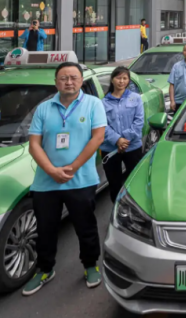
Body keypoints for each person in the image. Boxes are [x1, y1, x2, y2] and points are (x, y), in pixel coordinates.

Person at [24, 62, 107, 295]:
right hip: (46, 182)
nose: (68, 82)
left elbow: (97, 138)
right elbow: (34, 144)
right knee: (46, 228)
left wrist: (72, 167)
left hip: (81, 179)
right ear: (56, 82)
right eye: (63, 78)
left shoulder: (93, 104)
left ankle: (90, 265)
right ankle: (45, 269)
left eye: (73, 77)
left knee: (85, 226)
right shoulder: (43, 108)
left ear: (81, 80)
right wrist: (51, 170)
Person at [101, 67, 145, 203]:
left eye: (124, 78)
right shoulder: (103, 102)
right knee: (114, 184)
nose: (121, 81)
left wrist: (124, 140)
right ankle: (118, 212)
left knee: (136, 182)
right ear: (112, 80)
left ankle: (136, 210)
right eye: (118, 78)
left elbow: (139, 122)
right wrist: (117, 140)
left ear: (128, 81)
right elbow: (102, 125)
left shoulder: (135, 98)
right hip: (110, 149)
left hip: (132, 147)